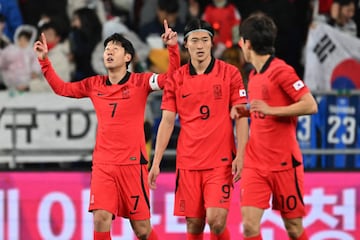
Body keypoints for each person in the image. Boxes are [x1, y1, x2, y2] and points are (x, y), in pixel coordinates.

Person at [33, 20, 180, 240]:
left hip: (132, 165)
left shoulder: (141, 82)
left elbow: (171, 79)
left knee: (141, 230)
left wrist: (172, 48)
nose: (109, 52)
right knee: (101, 218)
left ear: (127, 57)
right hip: (103, 164)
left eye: (115, 48)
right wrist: (45, 62)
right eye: (106, 49)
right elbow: (62, 88)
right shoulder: (94, 84)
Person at [148, 18, 249, 240]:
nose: (200, 45)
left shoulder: (230, 74)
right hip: (188, 162)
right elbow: (166, 121)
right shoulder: (176, 79)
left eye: (205, 40)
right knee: (194, 224)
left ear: (212, 43)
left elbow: (242, 117)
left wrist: (241, 155)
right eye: (195, 40)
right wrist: (156, 162)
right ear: (186, 44)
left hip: (220, 162)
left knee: (216, 220)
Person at [232, 13, 318, 240]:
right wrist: (246, 111)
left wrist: (271, 110)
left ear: (247, 44)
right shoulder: (253, 75)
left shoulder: (282, 71)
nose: (240, 46)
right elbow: (263, 109)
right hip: (256, 163)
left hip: (284, 164)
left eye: (241, 41)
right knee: (250, 227)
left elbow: (310, 105)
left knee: (293, 228)